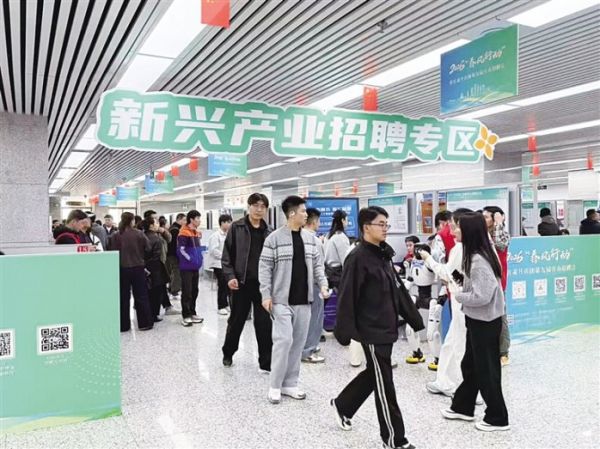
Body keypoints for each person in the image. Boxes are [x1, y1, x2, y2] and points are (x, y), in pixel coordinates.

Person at [332, 206, 423, 449]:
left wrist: (413, 318)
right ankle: (394, 439)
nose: (385, 228)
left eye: (386, 224)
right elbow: (347, 296)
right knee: (385, 384)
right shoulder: (357, 258)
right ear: (366, 227)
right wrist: (344, 331)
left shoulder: (383, 254)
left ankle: (343, 405)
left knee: (376, 375)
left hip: (386, 326)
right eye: (380, 224)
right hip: (371, 330)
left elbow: (397, 289)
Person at [441, 212, 509, 432]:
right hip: (477, 319)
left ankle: (498, 418)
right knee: (471, 365)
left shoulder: (478, 260)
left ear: (469, 231)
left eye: (458, 228)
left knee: (487, 371)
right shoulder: (474, 255)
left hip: (485, 322)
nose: (453, 231)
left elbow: (482, 296)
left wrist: (458, 294)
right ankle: (463, 406)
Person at [259, 196, 329, 404]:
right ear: (291, 214)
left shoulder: (311, 239)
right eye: (303, 211)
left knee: (298, 343)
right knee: (283, 341)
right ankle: (275, 385)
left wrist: (323, 284)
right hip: (280, 300)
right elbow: (264, 268)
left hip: (304, 300)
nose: (306, 215)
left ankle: (290, 384)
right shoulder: (273, 239)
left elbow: (318, 266)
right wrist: (265, 294)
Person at [422, 208, 472, 397]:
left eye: (453, 226)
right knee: (452, 341)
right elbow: (456, 275)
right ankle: (444, 380)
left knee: (459, 342)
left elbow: (448, 273)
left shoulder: (461, 248)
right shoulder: (480, 245)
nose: (450, 231)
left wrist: (428, 260)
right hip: (463, 298)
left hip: (462, 300)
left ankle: (464, 387)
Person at [221, 193, 273, 372]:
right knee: (236, 321)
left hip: (263, 286)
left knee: (264, 324)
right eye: (256, 205)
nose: (259, 209)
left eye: (263, 206)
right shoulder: (237, 228)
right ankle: (228, 352)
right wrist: (230, 276)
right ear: (249, 207)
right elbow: (226, 256)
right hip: (241, 284)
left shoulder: (269, 231)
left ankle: (266, 362)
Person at [106, 212, 153, 332]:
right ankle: (145, 323)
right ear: (132, 221)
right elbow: (148, 248)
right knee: (141, 295)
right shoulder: (139, 234)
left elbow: (110, 251)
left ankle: (123, 325)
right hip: (138, 268)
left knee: (123, 297)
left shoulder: (115, 235)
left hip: (122, 268)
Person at [482, 206, 511, 366]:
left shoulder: (503, 233)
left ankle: (503, 352)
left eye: (487, 217)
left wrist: (499, 223)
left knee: (501, 316)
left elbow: (500, 245)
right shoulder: (482, 234)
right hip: (483, 280)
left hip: (498, 282)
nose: (483, 219)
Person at [301, 208, 327, 364]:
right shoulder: (315, 241)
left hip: (300, 286)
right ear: (314, 221)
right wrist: (323, 285)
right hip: (314, 285)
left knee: (303, 320)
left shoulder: (297, 237)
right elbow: (319, 266)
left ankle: (303, 347)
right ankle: (308, 350)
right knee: (315, 319)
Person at [177, 210, 204, 327]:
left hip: (195, 266)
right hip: (186, 267)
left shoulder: (195, 232)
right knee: (187, 291)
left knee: (194, 290)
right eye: (197, 218)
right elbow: (181, 250)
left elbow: (196, 248)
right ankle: (186, 315)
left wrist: (200, 256)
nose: (199, 221)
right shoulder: (183, 233)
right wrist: (191, 259)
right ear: (191, 219)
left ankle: (192, 312)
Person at [142, 216, 170, 323]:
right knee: (156, 294)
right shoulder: (156, 238)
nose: (158, 225)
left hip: (143, 268)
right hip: (155, 269)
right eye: (156, 223)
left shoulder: (142, 235)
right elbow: (156, 256)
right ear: (151, 225)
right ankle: (154, 315)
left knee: (147, 293)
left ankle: (147, 314)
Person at [208, 214, 233, 315]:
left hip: (226, 264)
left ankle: (226, 304)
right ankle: (221, 306)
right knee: (222, 285)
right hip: (218, 264)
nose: (230, 224)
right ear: (222, 223)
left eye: (230, 222)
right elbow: (214, 250)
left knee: (227, 285)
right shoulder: (216, 235)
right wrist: (225, 257)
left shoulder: (228, 235)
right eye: (228, 222)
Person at [324, 209, 350, 290]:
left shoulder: (328, 235)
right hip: (338, 275)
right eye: (347, 220)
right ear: (342, 220)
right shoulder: (341, 237)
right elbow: (345, 260)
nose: (347, 223)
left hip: (329, 273)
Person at [167, 213, 186, 299]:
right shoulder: (175, 230)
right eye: (184, 220)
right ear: (179, 219)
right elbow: (175, 245)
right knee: (176, 272)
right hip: (174, 255)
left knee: (174, 272)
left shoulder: (173, 228)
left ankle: (172, 289)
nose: (185, 222)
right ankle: (174, 291)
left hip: (171, 254)